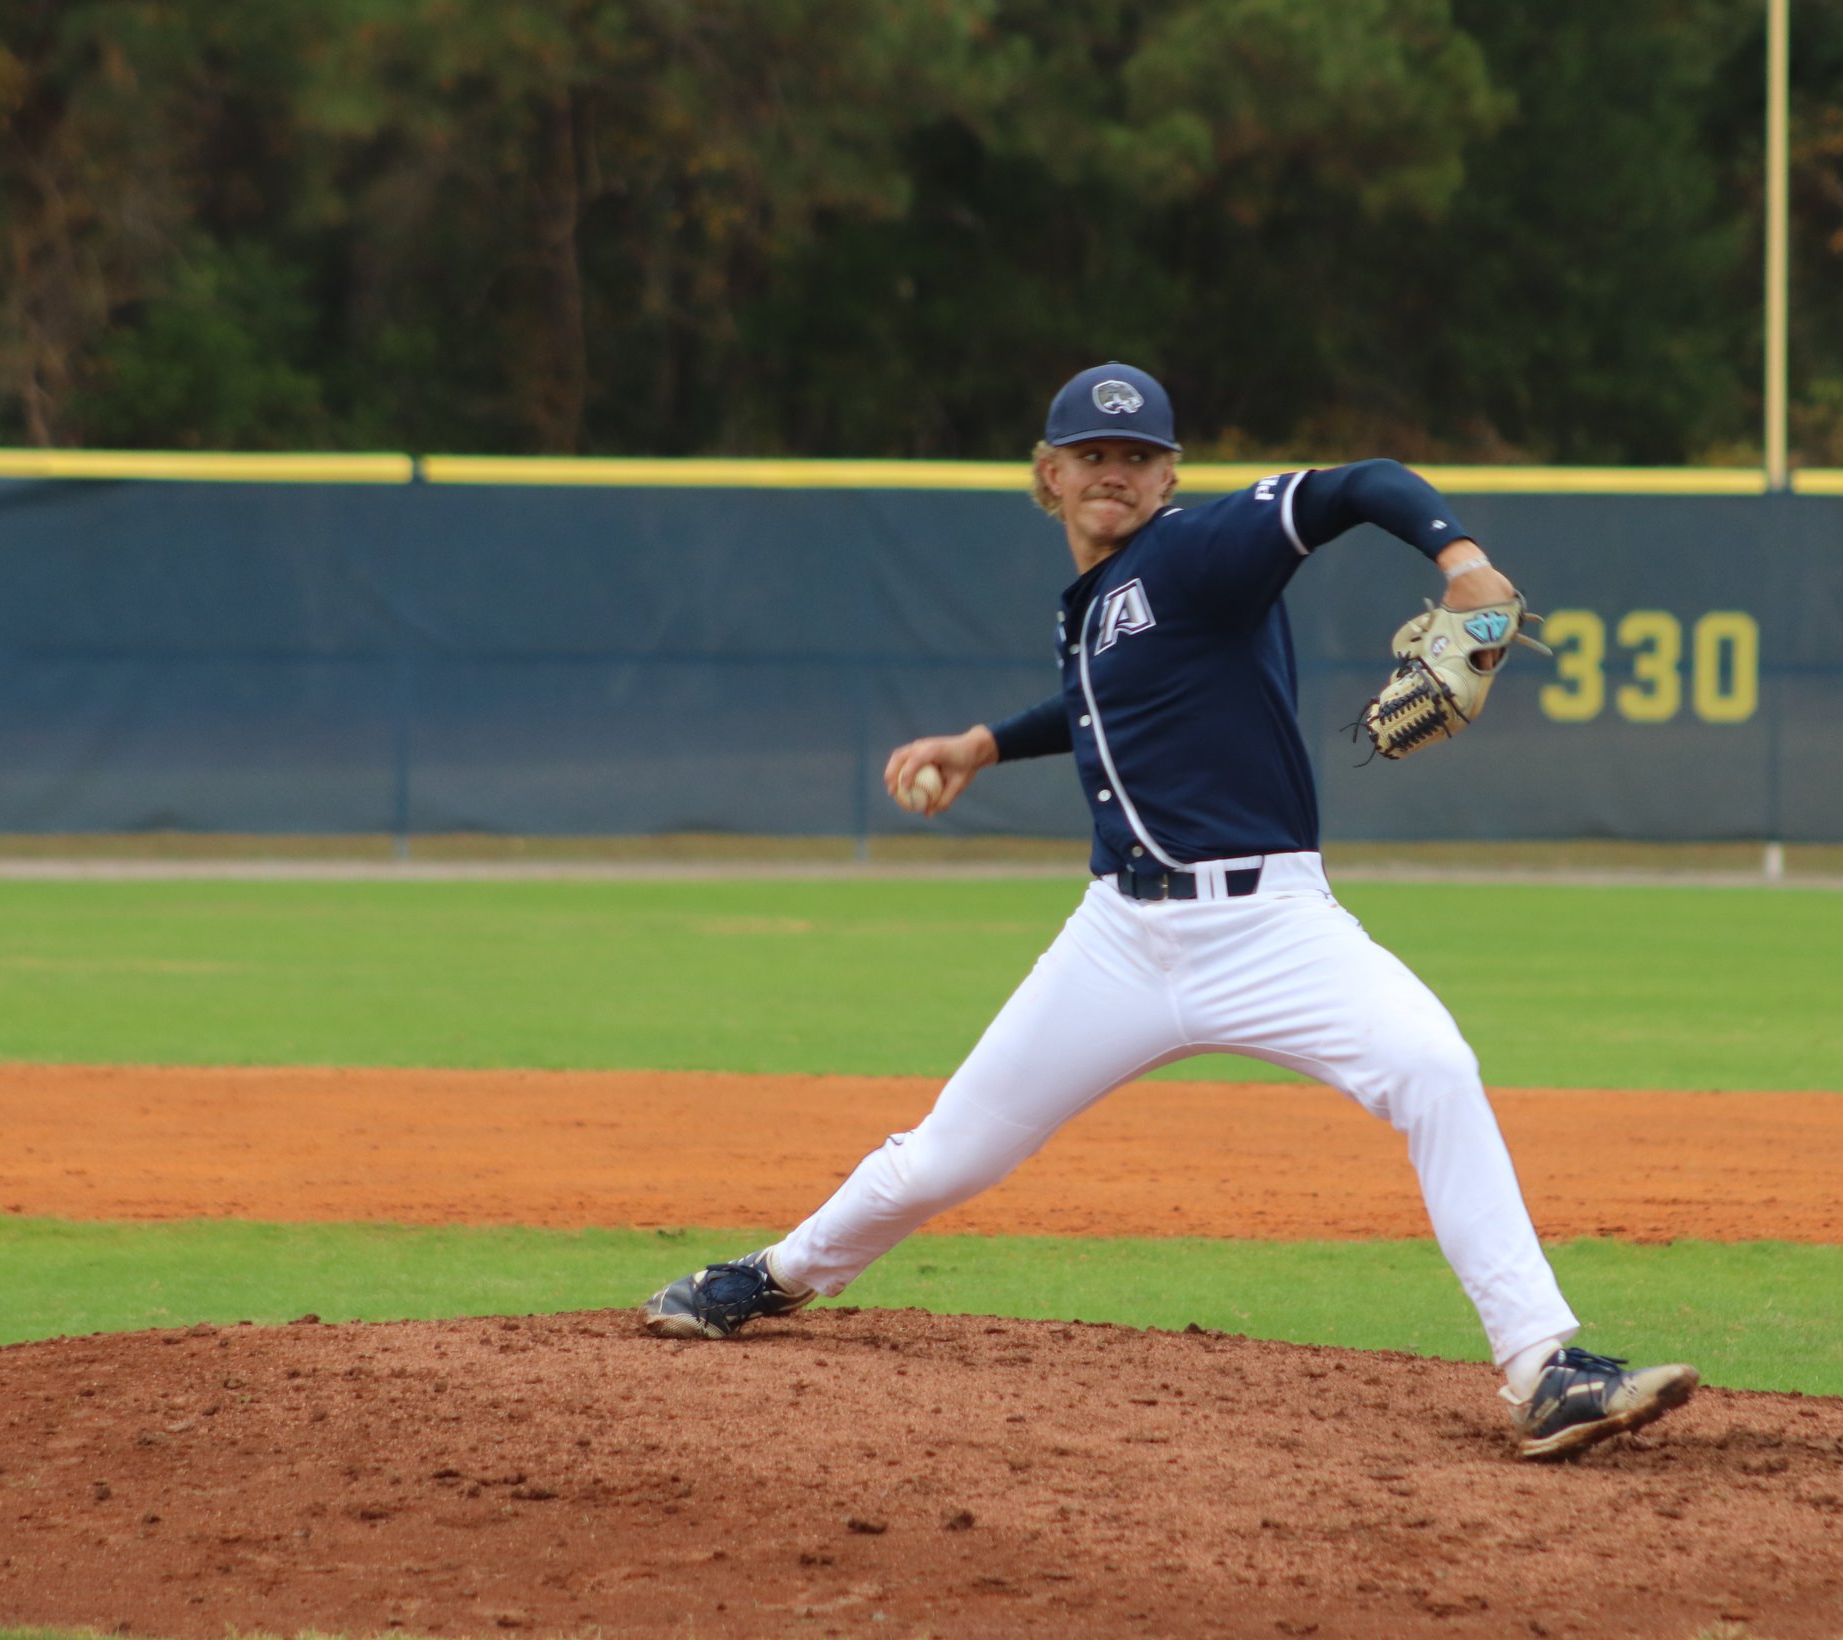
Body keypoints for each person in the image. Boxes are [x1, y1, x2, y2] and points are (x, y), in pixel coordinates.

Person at [642, 362, 1697, 1461]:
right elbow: (1105, 696)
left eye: (1138, 455)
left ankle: (1543, 1366)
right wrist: (982, 745)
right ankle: (771, 1275)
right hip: (1118, 939)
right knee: (946, 1155)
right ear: (1046, 475)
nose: (1116, 473)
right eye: (1093, 456)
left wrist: (1465, 565)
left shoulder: (1196, 550)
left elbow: (1358, 482)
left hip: (1273, 927)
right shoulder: (1097, 607)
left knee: (1432, 1065)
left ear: (1168, 475)